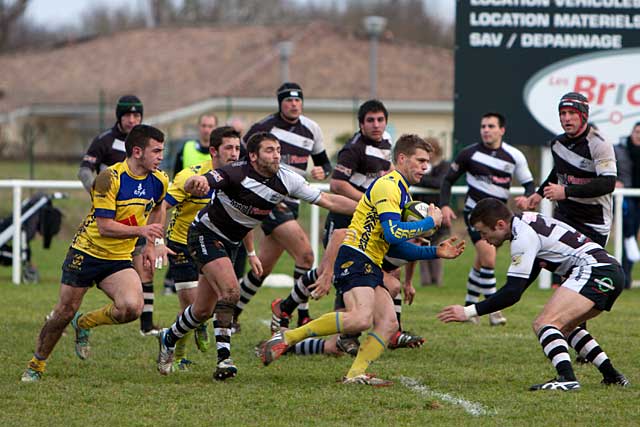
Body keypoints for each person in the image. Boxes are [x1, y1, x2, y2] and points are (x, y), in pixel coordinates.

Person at [259, 134, 465, 386]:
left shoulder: (402, 191)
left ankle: (355, 374)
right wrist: (428, 223)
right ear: (401, 158)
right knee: (360, 318)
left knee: (388, 323)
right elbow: (392, 231)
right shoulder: (389, 187)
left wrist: (435, 251)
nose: (425, 167)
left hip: (370, 262)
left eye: (427, 161)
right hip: (355, 256)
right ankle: (288, 337)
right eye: (420, 160)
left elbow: (397, 245)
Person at [156, 132, 357, 378]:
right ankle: (224, 360)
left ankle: (168, 337)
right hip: (204, 234)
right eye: (269, 150)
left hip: (230, 242)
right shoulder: (236, 172)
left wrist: (368, 208)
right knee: (231, 291)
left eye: (278, 150)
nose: (276, 155)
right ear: (253, 156)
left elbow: (329, 201)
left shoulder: (287, 180)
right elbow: (204, 180)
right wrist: (194, 183)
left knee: (201, 311)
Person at [21, 125, 170, 382]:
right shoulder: (109, 179)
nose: (160, 156)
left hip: (117, 259)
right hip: (87, 252)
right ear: (137, 151)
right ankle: (36, 364)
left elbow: (159, 209)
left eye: (162, 151)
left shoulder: (159, 180)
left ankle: (84, 323)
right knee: (63, 311)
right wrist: (143, 231)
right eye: (155, 151)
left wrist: (151, 243)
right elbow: (105, 226)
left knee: (132, 308)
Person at [438, 198, 629, 391]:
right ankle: (612, 375)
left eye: (483, 232)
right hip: (611, 271)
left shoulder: (522, 236)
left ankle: (567, 378)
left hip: (595, 271)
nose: (484, 239)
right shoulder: (526, 221)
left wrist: (468, 311)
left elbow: (512, 292)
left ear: (500, 224)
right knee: (565, 327)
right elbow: (521, 284)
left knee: (544, 323)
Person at [234, 82, 332, 328]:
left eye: (298, 100)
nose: (294, 104)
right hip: (269, 204)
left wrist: (322, 171)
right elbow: (243, 162)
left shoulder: (311, 129)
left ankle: (230, 313)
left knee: (262, 269)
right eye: (288, 100)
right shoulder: (263, 128)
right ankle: (299, 313)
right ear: (280, 103)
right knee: (306, 255)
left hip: (292, 203)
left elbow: (325, 163)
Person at [161, 126, 251, 377]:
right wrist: (155, 241)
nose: (235, 154)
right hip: (181, 241)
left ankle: (172, 338)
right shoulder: (190, 176)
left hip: (218, 242)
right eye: (229, 148)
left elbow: (246, 218)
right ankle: (184, 357)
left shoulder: (241, 178)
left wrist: (252, 254)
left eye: (237, 148)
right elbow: (162, 207)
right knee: (201, 301)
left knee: (202, 310)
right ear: (214, 151)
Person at [76, 95, 160, 336]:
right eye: (127, 115)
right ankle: (65, 313)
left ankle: (146, 325)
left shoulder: (147, 143)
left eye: (137, 115)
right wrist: (98, 195)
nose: (132, 120)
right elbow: (84, 170)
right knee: (83, 278)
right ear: (119, 117)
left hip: (136, 221)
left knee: (145, 268)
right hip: (108, 220)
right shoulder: (105, 140)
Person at [440, 112, 534, 325]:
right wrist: (445, 205)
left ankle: (468, 303)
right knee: (489, 259)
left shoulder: (514, 155)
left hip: (499, 218)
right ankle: (493, 310)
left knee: (482, 261)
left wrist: (527, 197)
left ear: (502, 130)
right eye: (483, 126)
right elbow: (448, 180)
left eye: (491, 126)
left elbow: (529, 183)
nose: (486, 130)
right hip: (475, 215)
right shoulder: (468, 153)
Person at [413, 137, 450, 286]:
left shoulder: (444, 166)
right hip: (421, 215)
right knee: (422, 246)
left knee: (438, 246)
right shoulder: (422, 168)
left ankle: (437, 280)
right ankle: (426, 281)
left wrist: (420, 179)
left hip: (438, 213)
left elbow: (440, 183)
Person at [612, 122, 640, 289]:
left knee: (631, 235)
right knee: (626, 234)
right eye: (637, 131)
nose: (639, 135)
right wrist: (615, 181)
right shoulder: (619, 150)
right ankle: (622, 276)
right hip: (625, 198)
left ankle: (627, 275)